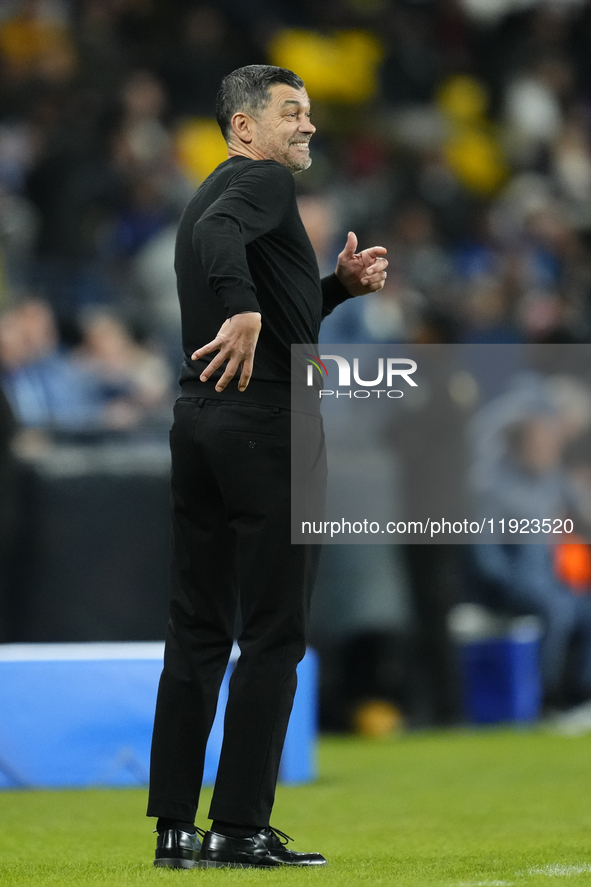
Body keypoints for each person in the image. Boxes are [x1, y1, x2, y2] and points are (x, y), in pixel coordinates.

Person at [147, 64, 388, 869]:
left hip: (201, 420)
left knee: (196, 628)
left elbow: (275, 305)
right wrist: (245, 307)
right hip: (269, 421)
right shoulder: (263, 186)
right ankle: (241, 826)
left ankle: (176, 827)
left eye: (309, 112)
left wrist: (335, 289)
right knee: (274, 632)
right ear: (244, 127)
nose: (307, 126)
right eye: (291, 112)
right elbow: (232, 263)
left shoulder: (209, 193)